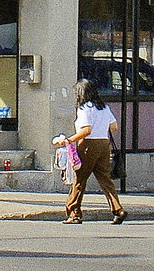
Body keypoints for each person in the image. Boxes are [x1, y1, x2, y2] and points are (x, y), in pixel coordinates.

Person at [52, 79, 124, 225]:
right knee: (105, 179)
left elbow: (86, 130)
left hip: (88, 145)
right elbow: (114, 127)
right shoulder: (104, 107)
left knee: (79, 179)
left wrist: (70, 140)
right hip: (104, 144)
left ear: (81, 93)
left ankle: (74, 213)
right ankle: (118, 210)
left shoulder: (84, 108)